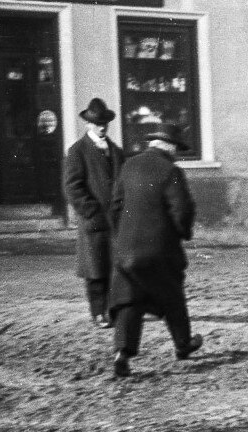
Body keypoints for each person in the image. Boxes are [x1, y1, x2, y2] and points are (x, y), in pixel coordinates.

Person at [107, 123, 203, 378]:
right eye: (176, 148)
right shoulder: (170, 170)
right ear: (169, 146)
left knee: (129, 300)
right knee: (172, 297)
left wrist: (122, 237)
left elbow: (115, 206)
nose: (177, 154)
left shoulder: (128, 165)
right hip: (159, 250)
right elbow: (182, 209)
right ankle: (183, 345)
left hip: (126, 251)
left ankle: (122, 354)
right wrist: (182, 232)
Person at [64, 98, 124, 329]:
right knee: (95, 269)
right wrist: (90, 211)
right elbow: (72, 187)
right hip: (94, 220)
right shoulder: (77, 151)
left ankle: (113, 309)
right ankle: (98, 312)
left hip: (115, 220)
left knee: (114, 267)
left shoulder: (116, 151)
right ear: (88, 124)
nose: (102, 127)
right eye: (98, 123)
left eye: (105, 123)